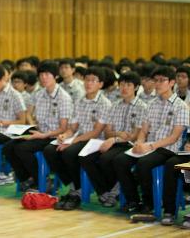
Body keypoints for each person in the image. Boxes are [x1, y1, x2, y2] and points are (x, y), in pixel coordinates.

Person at [114, 66, 189, 215]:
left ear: (172, 82)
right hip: (150, 146)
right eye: (156, 80)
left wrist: (149, 146)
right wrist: (139, 142)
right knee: (120, 160)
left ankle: (150, 203)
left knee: (144, 164)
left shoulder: (181, 107)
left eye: (162, 80)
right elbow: (144, 130)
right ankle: (133, 201)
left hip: (168, 148)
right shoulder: (152, 104)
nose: (158, 84)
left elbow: (174, 137)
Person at [43, 67, 111, 211]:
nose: (89, 83)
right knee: (50, 149)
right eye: (87, 79)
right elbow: (73, 127)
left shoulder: (105, 103)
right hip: (80, 138)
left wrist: (73, 141)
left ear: (101, 84)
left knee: (69, 152)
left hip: (96, 141)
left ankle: (77, 190)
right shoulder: (80, 101)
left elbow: (96, 131)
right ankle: (72, 184)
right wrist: (65, 136)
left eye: (93, 80)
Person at [79, 71, 146, 207]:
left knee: (109, 159)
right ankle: (105, 191)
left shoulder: (143, 107)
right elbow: (108, 132)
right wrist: (118, 135)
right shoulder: (114, 105)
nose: (124, 88)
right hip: (113, 142)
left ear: (136, 87)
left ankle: (121, 194)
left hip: (131, 145)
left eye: (128, 85)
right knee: (85, 157)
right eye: (121, 84)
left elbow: (134, 136)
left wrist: (115, 138)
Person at [4, 61, 73, 191]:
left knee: (22, 149)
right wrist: (31, 126)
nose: (43, 78)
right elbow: (28, 113)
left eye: (47, 74)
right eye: (41, 75)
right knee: (9, 147)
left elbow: (63, 128)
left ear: (55, 76)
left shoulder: (64, 98)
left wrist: (42, 135)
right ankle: (27, 178)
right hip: (39, 132)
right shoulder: (39, 94)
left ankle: (44, 180)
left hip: (54, 136)